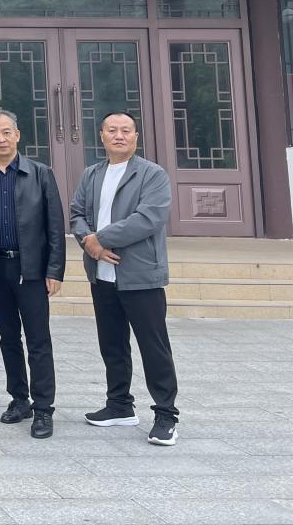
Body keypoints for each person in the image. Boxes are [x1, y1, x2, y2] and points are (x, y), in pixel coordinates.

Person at [70, 111, 180, 446]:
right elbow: (77, 213)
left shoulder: (152, 174)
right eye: (112, 130)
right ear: (101, 136)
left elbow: (148, 218)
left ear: (136, 137)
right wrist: (88, 241)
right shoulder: (92, 174)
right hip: (102, 275)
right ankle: (119, 405)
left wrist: (100, 239)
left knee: (153, 346)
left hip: (140, 276)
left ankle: (166, 415)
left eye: (126, 130)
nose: (119, 135)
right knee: (112, 344)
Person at [0, 108, 64, 440]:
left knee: (38, 340)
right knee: (8, 337)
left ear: (18, 135)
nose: (1, 139)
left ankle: (44, 408)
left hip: (31, 269)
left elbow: (55, 226)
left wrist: (55, 269)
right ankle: (19, 399)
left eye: (6, 132)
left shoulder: (40, 173)